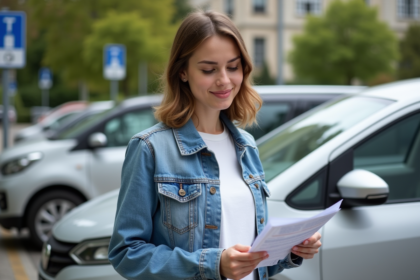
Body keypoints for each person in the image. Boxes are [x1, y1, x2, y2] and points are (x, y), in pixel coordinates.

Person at [108, 10, 321, 280]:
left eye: (233, 67)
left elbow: (253, 255)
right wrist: (213, 264)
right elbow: (126, 253)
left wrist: (290, 249)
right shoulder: (150, 149)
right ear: (183, 72)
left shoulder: (247, 146)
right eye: (209, 69)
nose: (224, 80)